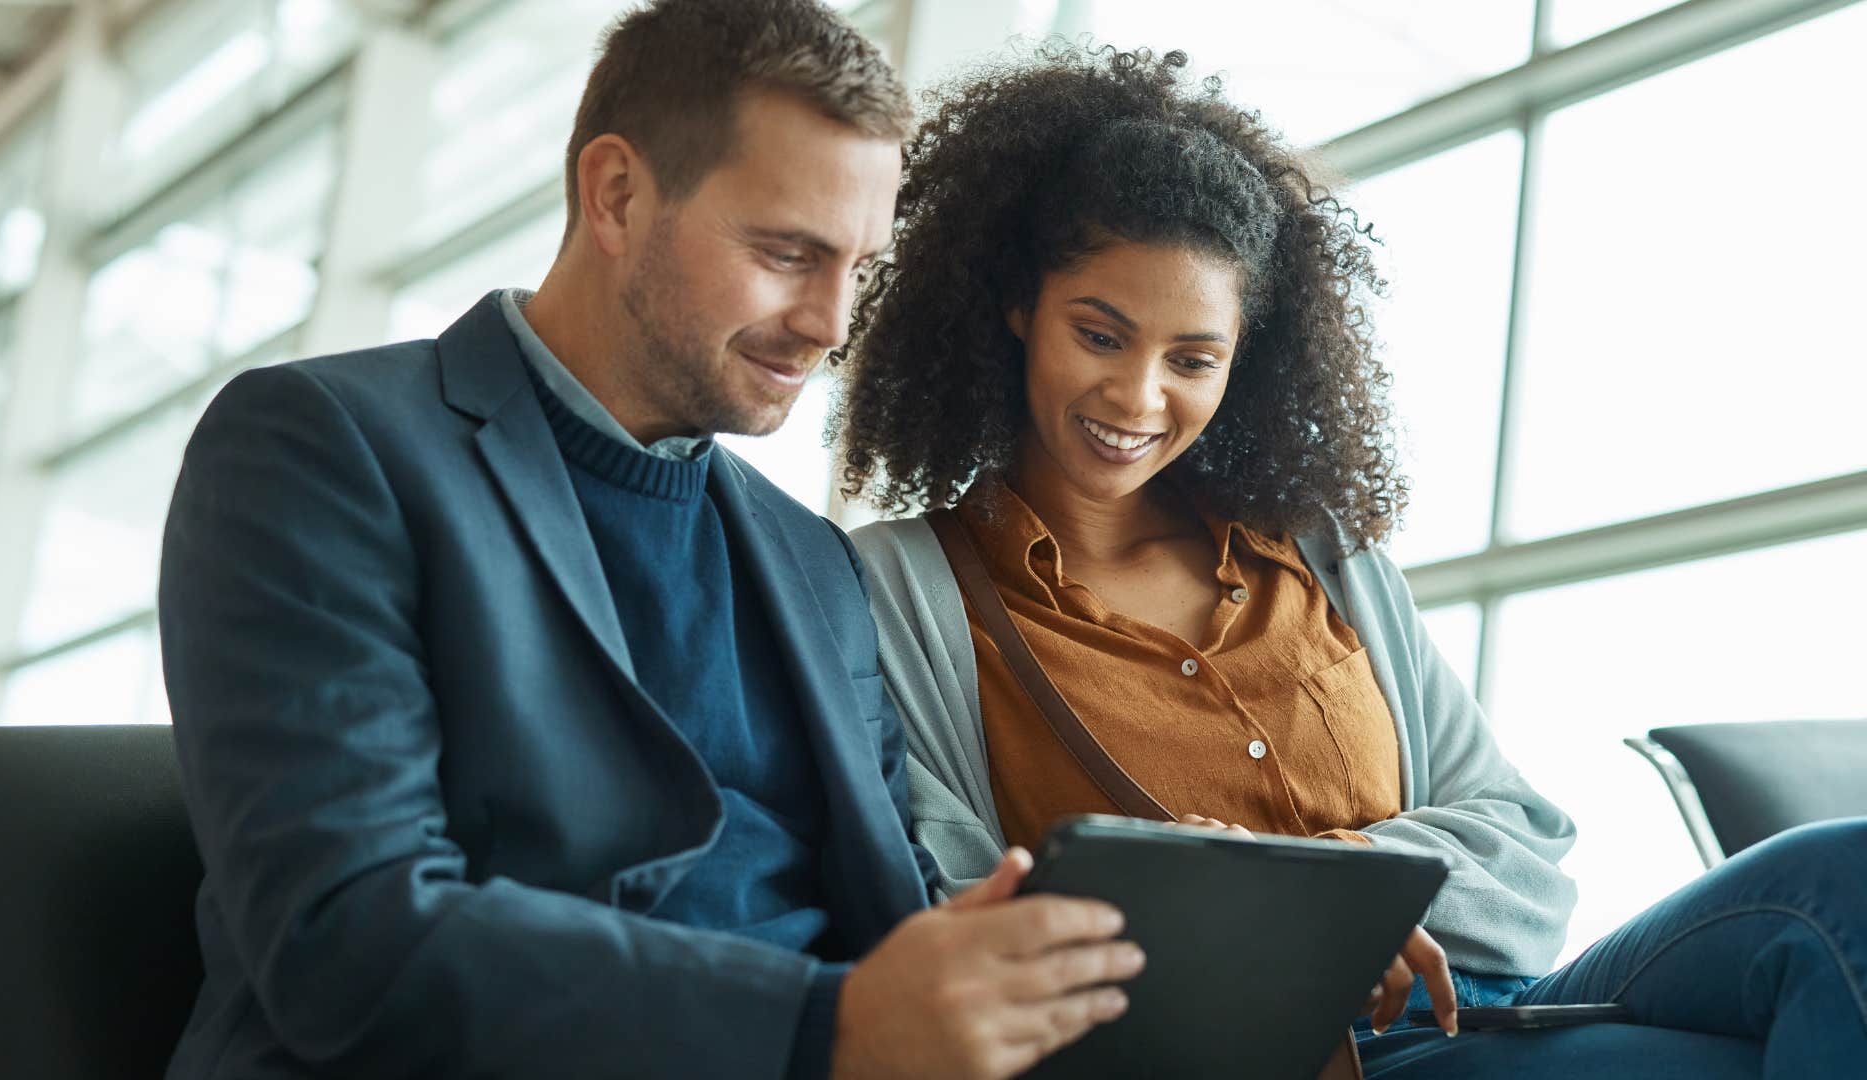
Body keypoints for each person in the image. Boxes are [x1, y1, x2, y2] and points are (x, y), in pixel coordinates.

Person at [838, 40, 1867, 1078]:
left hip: (1483, 1008)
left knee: (1849, 875)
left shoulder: (1323, 556)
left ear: (1244, 362)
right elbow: (950, 914)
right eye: (1100, 336)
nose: (1139, 398)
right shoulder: (898, 592)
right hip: (1288, 1055)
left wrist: (1333, 877)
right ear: (1020, 306)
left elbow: (1523, 844)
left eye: (1193, 360)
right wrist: (1251, 919)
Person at [157, 4, 1151, 1077]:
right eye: (787, 252)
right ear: (618, 195)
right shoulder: (326, 449)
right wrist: (828, 1027)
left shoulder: (812, 560)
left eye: (859, 267)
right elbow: (347, 937)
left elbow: (887, 911)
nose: (830, 323)